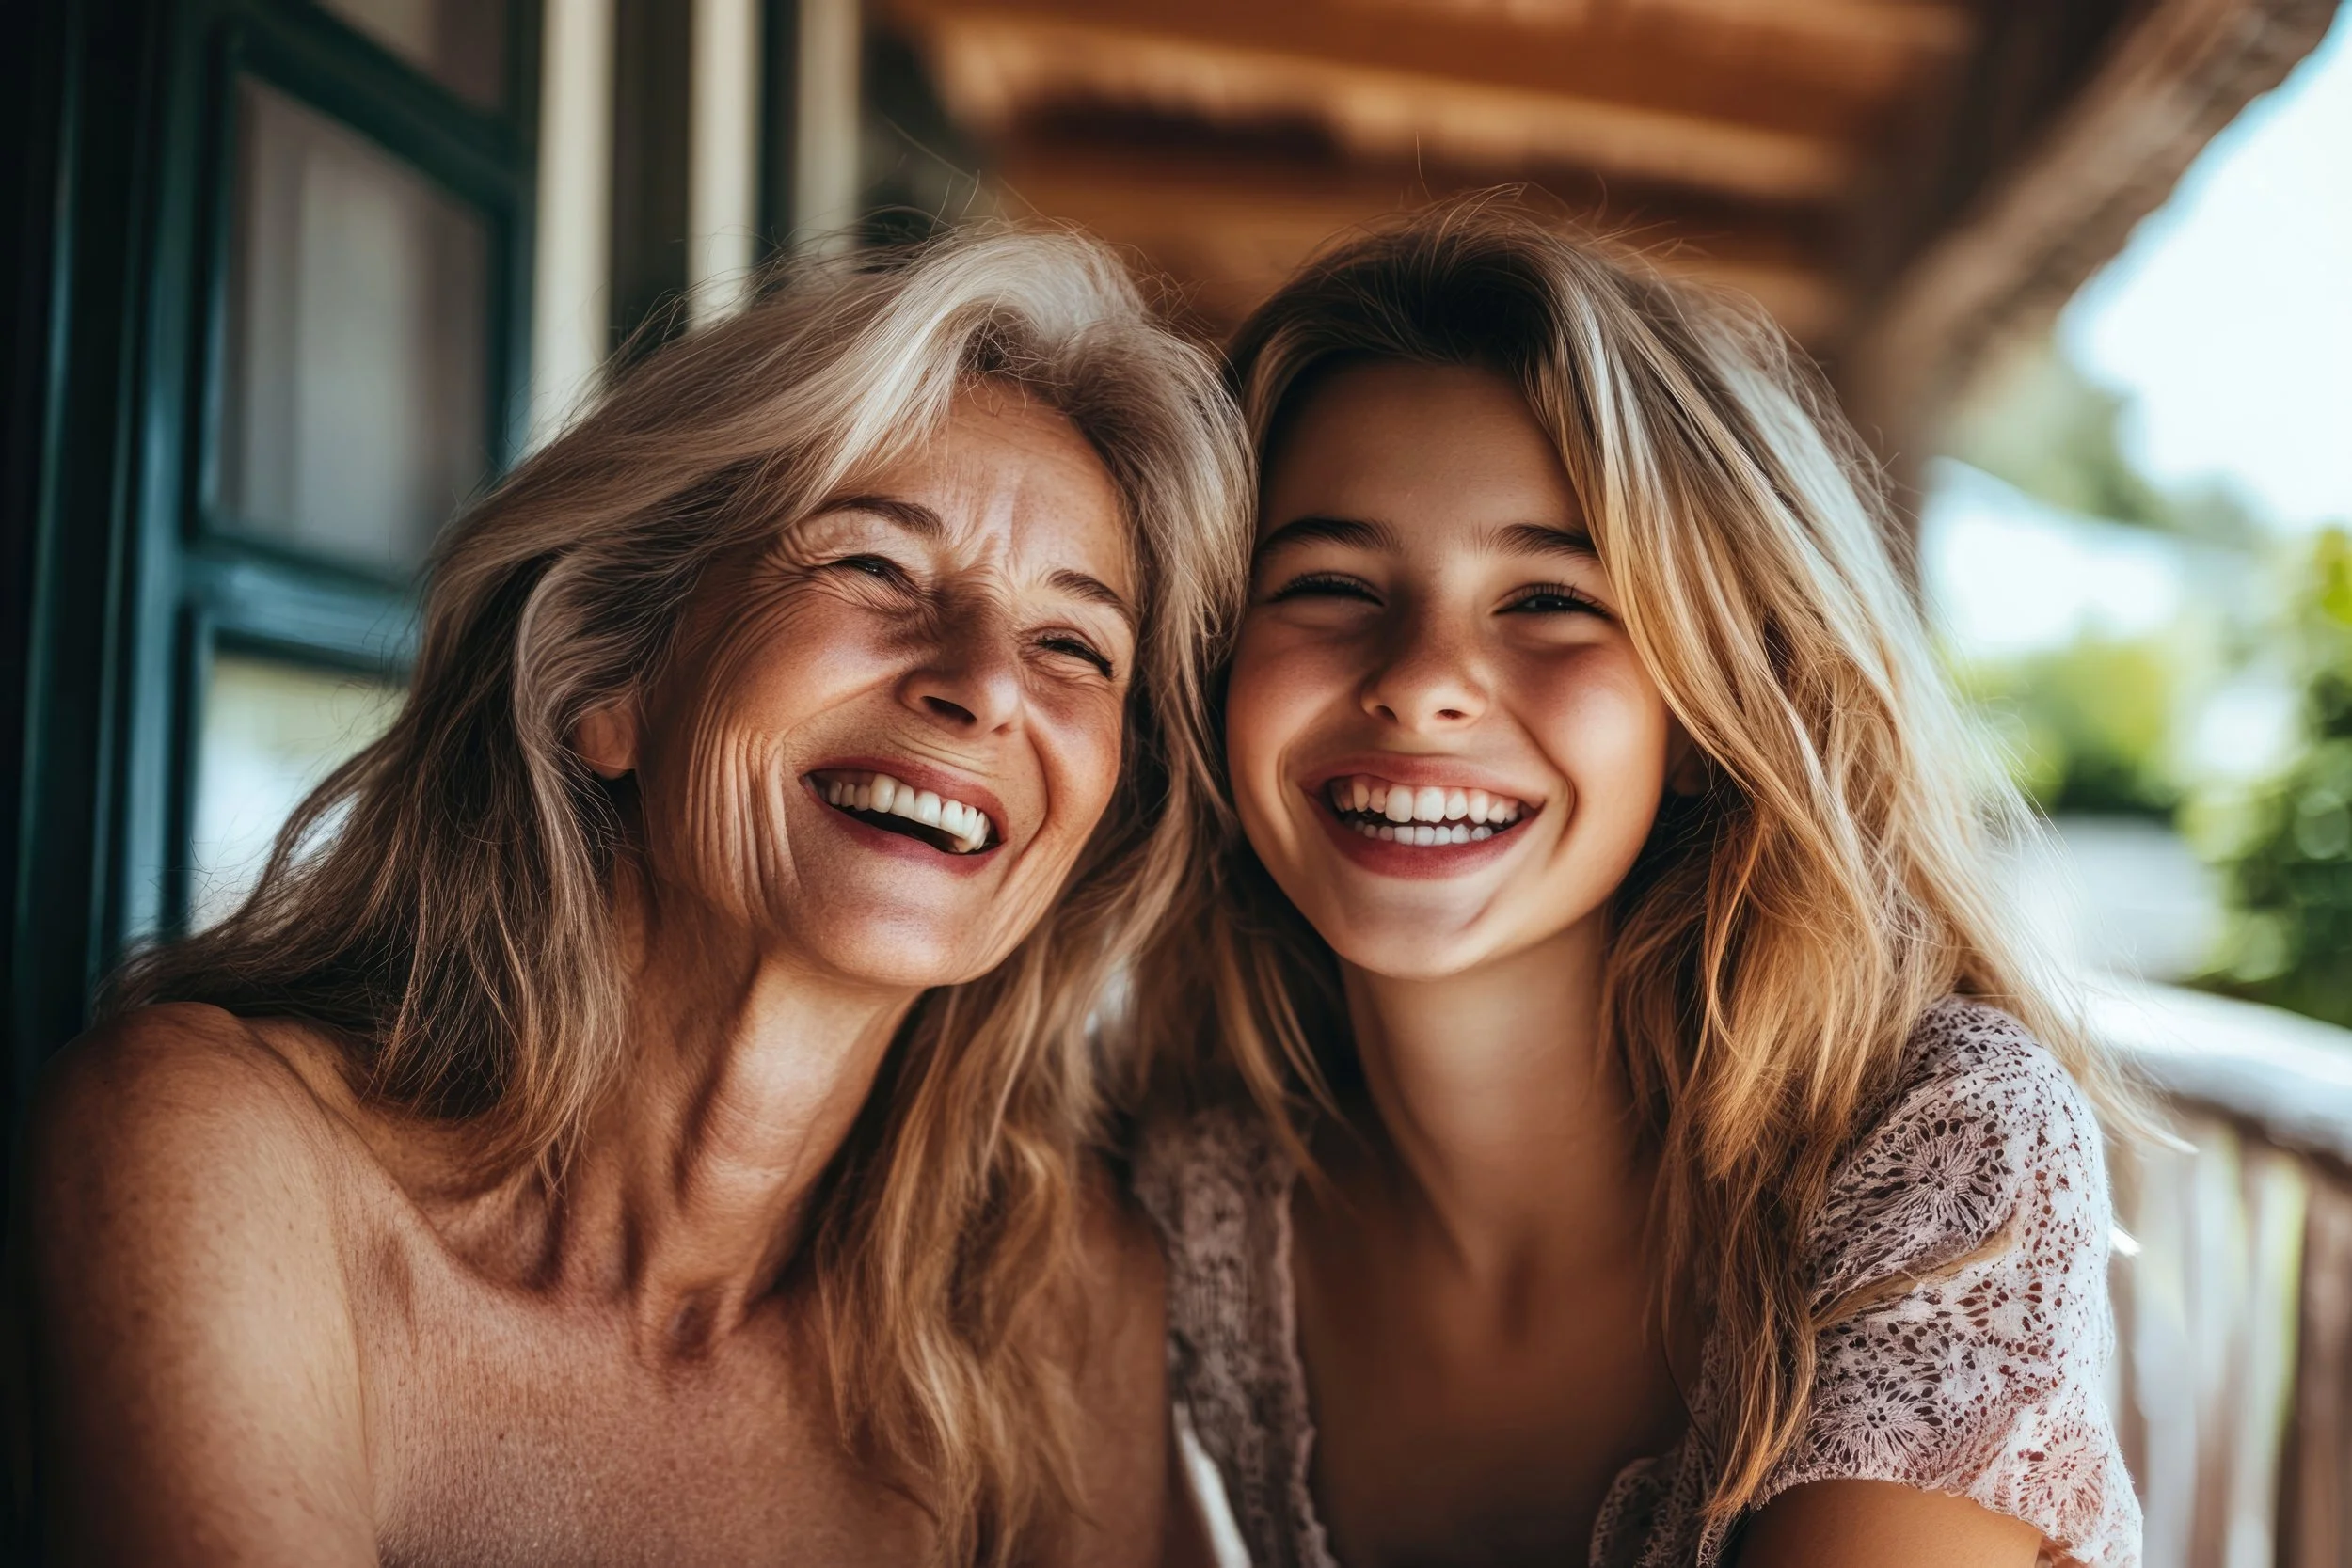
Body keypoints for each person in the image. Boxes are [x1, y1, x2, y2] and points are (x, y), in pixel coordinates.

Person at [13, 227, 1249, 1567]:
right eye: (875, 566)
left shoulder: (1060, 1305)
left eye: (1075, 643)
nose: (989, 683)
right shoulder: (224, 1155)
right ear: (614, 679)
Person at [1129, 201, 2144, 1568]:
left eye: (1549, 598)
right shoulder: (1199, 1191)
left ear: (1703, 703)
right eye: (1325, 580)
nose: (1423, 678)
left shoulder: (1940, 1143)